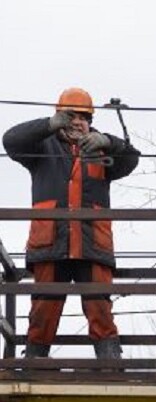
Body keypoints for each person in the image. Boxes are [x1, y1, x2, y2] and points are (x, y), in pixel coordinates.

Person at [2, 87, 140, 359]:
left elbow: (131, 158)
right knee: (43, 309)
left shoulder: (101, 149)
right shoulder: (41, 147)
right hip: (52, 242)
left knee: (99, 307)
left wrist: (108, 142)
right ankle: (34, 364)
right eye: (70, 116)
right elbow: (11, 140)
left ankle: (111, 365)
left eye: (83, 117)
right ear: (58, 117)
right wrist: (47, 126)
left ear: (90, 121)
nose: (78, 121)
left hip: (91, 245)